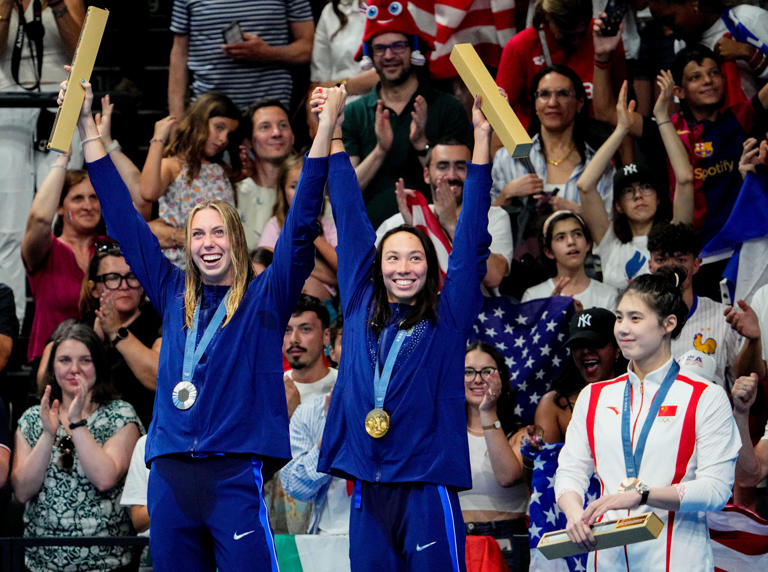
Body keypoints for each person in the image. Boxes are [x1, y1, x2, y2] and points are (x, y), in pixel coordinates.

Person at [71, 73, 331, 569]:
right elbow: (125, 220)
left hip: (233, 471)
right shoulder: (171, 292)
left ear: (235, 239)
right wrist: (88, 129)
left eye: (218, 233)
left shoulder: (265, 299)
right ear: (186, 244)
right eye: (197, 234)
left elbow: (299, 231)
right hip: (169, 473)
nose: (207, 243)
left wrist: (323, 134)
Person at [315, 84, 493, 571]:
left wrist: (481, 142)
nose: (403, 267)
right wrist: (329, 132)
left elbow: (473, 234)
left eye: (415, 257)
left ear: (430, 266)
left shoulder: (447, 315)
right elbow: (349, 213)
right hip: (366, 488)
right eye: (392, 256)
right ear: (378, 265)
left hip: (424, 483)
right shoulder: (357, 305)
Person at [555, 270, 740, 569]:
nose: (623, 329)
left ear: (668, 324)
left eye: (635, 318)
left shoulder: (705, 396)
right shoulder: (594, 396)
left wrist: (643, 496)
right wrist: (574, 512)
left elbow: (716, 490)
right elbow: (570, 470)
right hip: (607, 560)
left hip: (677, 560)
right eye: (619, 317)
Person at [11, 320, 143, 571]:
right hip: (42, 563)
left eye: (85, 360)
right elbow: (22, 491)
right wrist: (48, 435)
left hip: (106, 563)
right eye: (64, 360)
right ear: (52, 367)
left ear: (99, 365)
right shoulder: (32, 418)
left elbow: (104, 478)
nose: (75, 369)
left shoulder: (120, 415)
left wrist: (76, 422)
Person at [342, 0, 472, 227]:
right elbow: (343, 191)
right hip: (369, 236)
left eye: (398, 46)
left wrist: (422, 144)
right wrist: (380, 151)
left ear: (413, 49)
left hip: (436, 232)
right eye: (380, 48)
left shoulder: (448, 107)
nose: (389, 55)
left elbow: (459, 181)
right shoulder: (354, 112)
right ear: (369, 55)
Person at [0, 0, 86, 322]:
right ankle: (9, 325)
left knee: (59, 220)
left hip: (61, 102)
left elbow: (84, 53)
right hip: (6, 104)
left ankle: (59, 321)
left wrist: (59, 5)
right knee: (8, 227)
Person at [577, 76, 691, 290]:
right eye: (628, 191)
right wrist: (621, 130)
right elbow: (585, 186)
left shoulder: (674, 234)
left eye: (646, 187)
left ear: (658, 198)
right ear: (618, 206)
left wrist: (662, 117)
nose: (638, 195)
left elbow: (685, 179)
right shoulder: (609, 241)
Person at [491, 65, 614, 262]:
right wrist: (506, 195)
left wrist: (578, 213)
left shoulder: (598, 166)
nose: (552, 102)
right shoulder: (507, 159)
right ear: (535, 103)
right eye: (544, 94)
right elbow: (485, 226)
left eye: (563, 94)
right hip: (521, 273)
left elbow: (612, 235)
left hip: (587, 271)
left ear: (580, 102)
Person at [376, 138, 513, 293]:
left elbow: (494, 277)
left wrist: (452, 224)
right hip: (414, 313)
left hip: (476, 313)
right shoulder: (402, 220)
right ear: (427, 174)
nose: (452, 175)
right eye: (443, 167)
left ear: (472, 175)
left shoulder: (494, 217)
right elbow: (375, 276)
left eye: (461, 167)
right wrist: (418, 227)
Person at [648, 222, 766, 389]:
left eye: (680, 259)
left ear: (696, 264)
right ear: (650, 265)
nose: (671, 267)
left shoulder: (722, 318)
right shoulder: (637, 319)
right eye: (661, 259)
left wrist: (753, 341)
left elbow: (747, 377)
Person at [141, 93, 241, 267]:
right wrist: (158, 140)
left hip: (218, 267)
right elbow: (148, 192)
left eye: (229, 134)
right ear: (199, 122)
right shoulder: (173, 166)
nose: (224, 139)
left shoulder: (221, 169)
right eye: (219, 127)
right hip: (179, 266)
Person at [495, 0, 626, 129]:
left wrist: (602, 57)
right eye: (567, 35)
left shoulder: (604, 39)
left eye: (581, 34)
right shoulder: (520, 47)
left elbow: (621, 111)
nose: (575, 41)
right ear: (547, 18)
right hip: (535, 141)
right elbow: (500, 117)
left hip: (597, 139)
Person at [168, 0, 314, 115]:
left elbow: (309, 48)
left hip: (270, 112)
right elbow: (179, 55)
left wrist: (268, 53)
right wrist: (176, 118)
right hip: (207, 110)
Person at [21, 160, 101, 364]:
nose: (88, 206)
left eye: (94, 197)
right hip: (50, 366)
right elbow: (39, 218)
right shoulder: (47, 250)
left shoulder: (111, 249)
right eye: (77, 198)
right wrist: (61, 161)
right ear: (59, 207)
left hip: (102, 366)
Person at [461, 341, 529, 571]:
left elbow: (507, 477)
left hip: (507, 543)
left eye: (487, 372)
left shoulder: (520, 434)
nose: (477, 379)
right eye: (468, 372)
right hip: (458, 541)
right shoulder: (443, 435)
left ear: (501, 378)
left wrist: (487, 410)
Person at [280, 318, 347, 535]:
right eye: (347, 341)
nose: (294, 339)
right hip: (326, 533)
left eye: (305, 329)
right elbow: (296, 487)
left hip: (388, 529)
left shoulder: (401, 407)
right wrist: (330, 437)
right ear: (333, 351)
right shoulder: (307, 411)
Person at [647, 0, 768, 103]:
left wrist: (750, 53)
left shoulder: (747, 19)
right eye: (661, 24)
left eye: (669, 20)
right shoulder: (681, 43)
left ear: (693, 2)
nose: (667, 32)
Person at [534, 307, 623, 443]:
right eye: (578, 345)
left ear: (617, 348)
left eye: (595, 343)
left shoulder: (640, 395)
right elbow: (544, 461)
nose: (586, 350)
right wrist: (530, 455)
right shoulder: (554, 404)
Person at [259, 155, 339, 303]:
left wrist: (311, 232)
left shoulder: (328, 225)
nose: (300, 192)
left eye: (307, 185)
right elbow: (262, 263)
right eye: (293, 186)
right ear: (282, 191)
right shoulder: (276, 225)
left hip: (324, 308)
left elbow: (341, 269)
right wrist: (327, 275)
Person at [307, 0, 378, 135]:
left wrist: (340, 85)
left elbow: (384, 74)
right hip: (335, 115)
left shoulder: (393, 6)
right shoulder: (330, 11)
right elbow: (318, 84)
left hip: (377, 109)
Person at [522, 210, 618, 309]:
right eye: (561, 237)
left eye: (577, 234)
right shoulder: (533, 297)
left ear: (588, 244)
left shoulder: (609, 295)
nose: (571, 242)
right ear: (549, 252)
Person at [237, 99, 296, 249]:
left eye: (283, 125)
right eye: (265, 127)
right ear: (249, 141)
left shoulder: (310, 193)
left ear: (293, 137)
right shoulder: (233, 193)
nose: (276, 133)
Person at [283, 294, 336, 417]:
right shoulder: (271, 389)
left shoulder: (344, 386)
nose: (294, 339)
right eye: (287, 330)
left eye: (305, 329)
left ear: (326, 336)